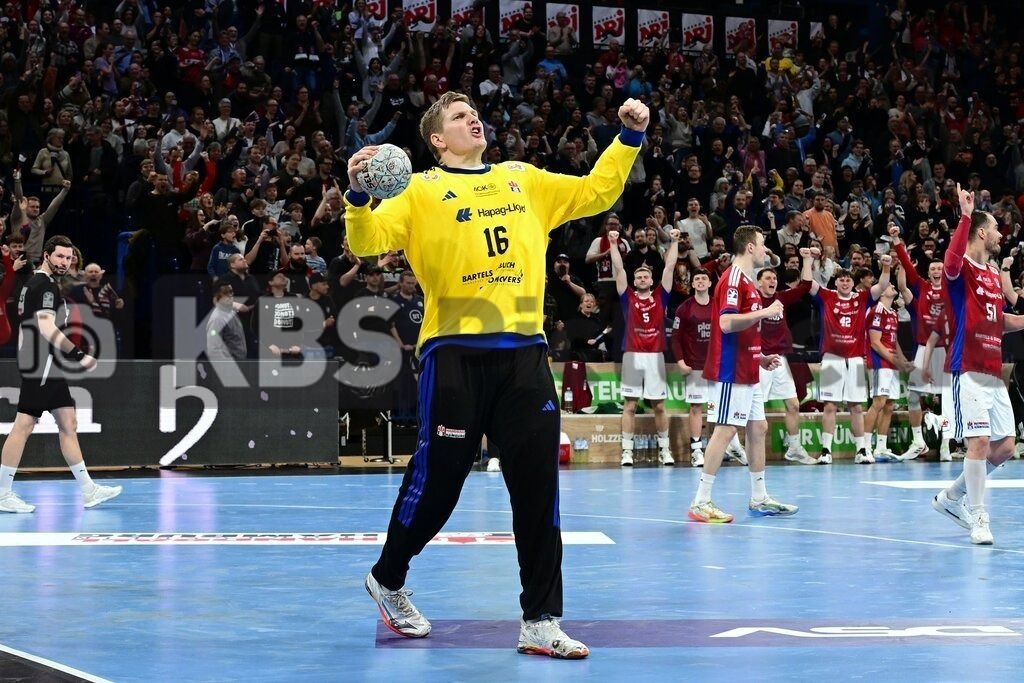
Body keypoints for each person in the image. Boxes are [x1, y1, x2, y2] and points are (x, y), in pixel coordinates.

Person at [347, 92, 652, 658]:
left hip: (525, 356)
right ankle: (387, 577)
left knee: (538, 490)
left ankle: (541, 620)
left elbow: (594, 191)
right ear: (437, 140)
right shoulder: (417, 189)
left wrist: (628, 137)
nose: (472, 119)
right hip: (454, 353)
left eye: (473, 113)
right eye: (458, 117)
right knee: (438, 485)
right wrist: (358, 196)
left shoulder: (523, 178)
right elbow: (366, 242)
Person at [0, 236, 122, 513]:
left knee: (68, 422)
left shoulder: (34, 282)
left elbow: (24, 326)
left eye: (68, 258)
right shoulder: (44, 285)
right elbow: (45, 326)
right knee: (24, 425)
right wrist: (78, 355)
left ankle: (89, 490)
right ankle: (3, 493)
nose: (65, 263)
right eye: (59, 257)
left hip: (44, 362)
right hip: (42, 362)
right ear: (46, 255)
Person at [930, 185, 1024, 546]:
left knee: (1005, 447)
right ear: (982, 232)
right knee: (980, 441)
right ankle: (979, 516)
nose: (1001, 234)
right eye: (996, 228)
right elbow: (951, 262)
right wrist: (965, 214)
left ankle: (952, 498)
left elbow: (999, 319)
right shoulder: (964, 268)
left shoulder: (990, 274)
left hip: (992, 370)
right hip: (967, 367)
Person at [687, 225, 798, 524]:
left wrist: (759, 357)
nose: (765, 250)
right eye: (762, 244)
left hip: (748, 367)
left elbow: (742, 329)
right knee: (725, 430)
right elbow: (726, 323)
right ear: (750, 247)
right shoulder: (734, 279)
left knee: (758, 428)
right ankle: (701, 501)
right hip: (730, 369)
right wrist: (765, 311)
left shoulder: (747, 281)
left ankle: (759, 497)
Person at [807, 256, 891, 464]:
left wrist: (887, 266)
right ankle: (826, 450)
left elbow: (881, 285)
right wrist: (807, 259)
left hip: (854, 359)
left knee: (856, 406)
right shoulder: (826, 296)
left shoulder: (861, 298)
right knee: (830, 406)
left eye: (848, 280)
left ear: (853, 283)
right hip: (832, 358)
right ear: (835, 282)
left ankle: (861, 450)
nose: (845, 283)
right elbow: (807, 283)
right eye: (841, 280)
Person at [607, 226, 680, 467]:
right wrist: (613, 242)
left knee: (659, 406)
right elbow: (618, 268)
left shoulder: (661, 295)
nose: (641, 279)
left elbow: (669, 267)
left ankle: (664, 449)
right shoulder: (627, 296)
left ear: (651, 279)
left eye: (645, 276)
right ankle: (626, 451)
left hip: (655, 356)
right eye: (638, 276)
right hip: (633, 355)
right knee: (629, 405)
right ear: (634, 280)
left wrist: (674, 241)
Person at [890, 223, 950, 461]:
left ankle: (946, 443)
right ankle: (918, 442)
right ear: (929, 272)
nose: (936, 271)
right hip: (923, 349)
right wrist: (897, 241)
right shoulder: (922, 288)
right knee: (914, 397)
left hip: (946, 350)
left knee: (948, 399)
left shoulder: (953, 290)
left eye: (940, 268)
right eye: (933, 268)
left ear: (945, 271)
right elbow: (905, 268)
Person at [757, 248, 816, 464]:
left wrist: (807, 259)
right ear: (758, 283)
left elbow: (806, 286)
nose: (772, 281)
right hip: (760, 360)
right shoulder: (752, 300)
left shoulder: (780, 298)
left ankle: (793, 447)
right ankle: (751, 449)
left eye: (774, 277)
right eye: (768, 278)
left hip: (780, 358)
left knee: (793, 404)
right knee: (756, 406)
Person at [862, 271, 916, 463]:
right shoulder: (876, 310)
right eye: (890, 286)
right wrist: (896, 362)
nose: (893, 286)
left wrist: (903, 360)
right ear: (882, 292)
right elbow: (875, 343)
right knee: (878, 402)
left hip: (891, 364)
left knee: (890, 404)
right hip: (879, 363)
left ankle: (881, 448)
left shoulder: (892, 313)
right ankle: (864, 447)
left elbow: (894, 342)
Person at [206, 281, 247, 360]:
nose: (230, 295)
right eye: (225, 292)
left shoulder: (231, 312)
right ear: (217, 296)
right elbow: (213, 350)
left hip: (240, 363)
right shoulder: (217, 319)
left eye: (231, 292)